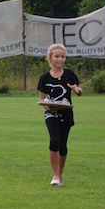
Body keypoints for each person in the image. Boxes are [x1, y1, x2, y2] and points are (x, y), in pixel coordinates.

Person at [37, 43, 82, 186]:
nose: (60, 59)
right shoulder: (44, 78)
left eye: (62, 56)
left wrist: (77, 90)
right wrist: (48, 106)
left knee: (62, 145)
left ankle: (60, 173)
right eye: (57, 56)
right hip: (51, 114)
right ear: (50, 58)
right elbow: (42, 99)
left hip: (66, 113)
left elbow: (79, 91)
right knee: (54, 141)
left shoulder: (69, 74)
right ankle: (55, 174)